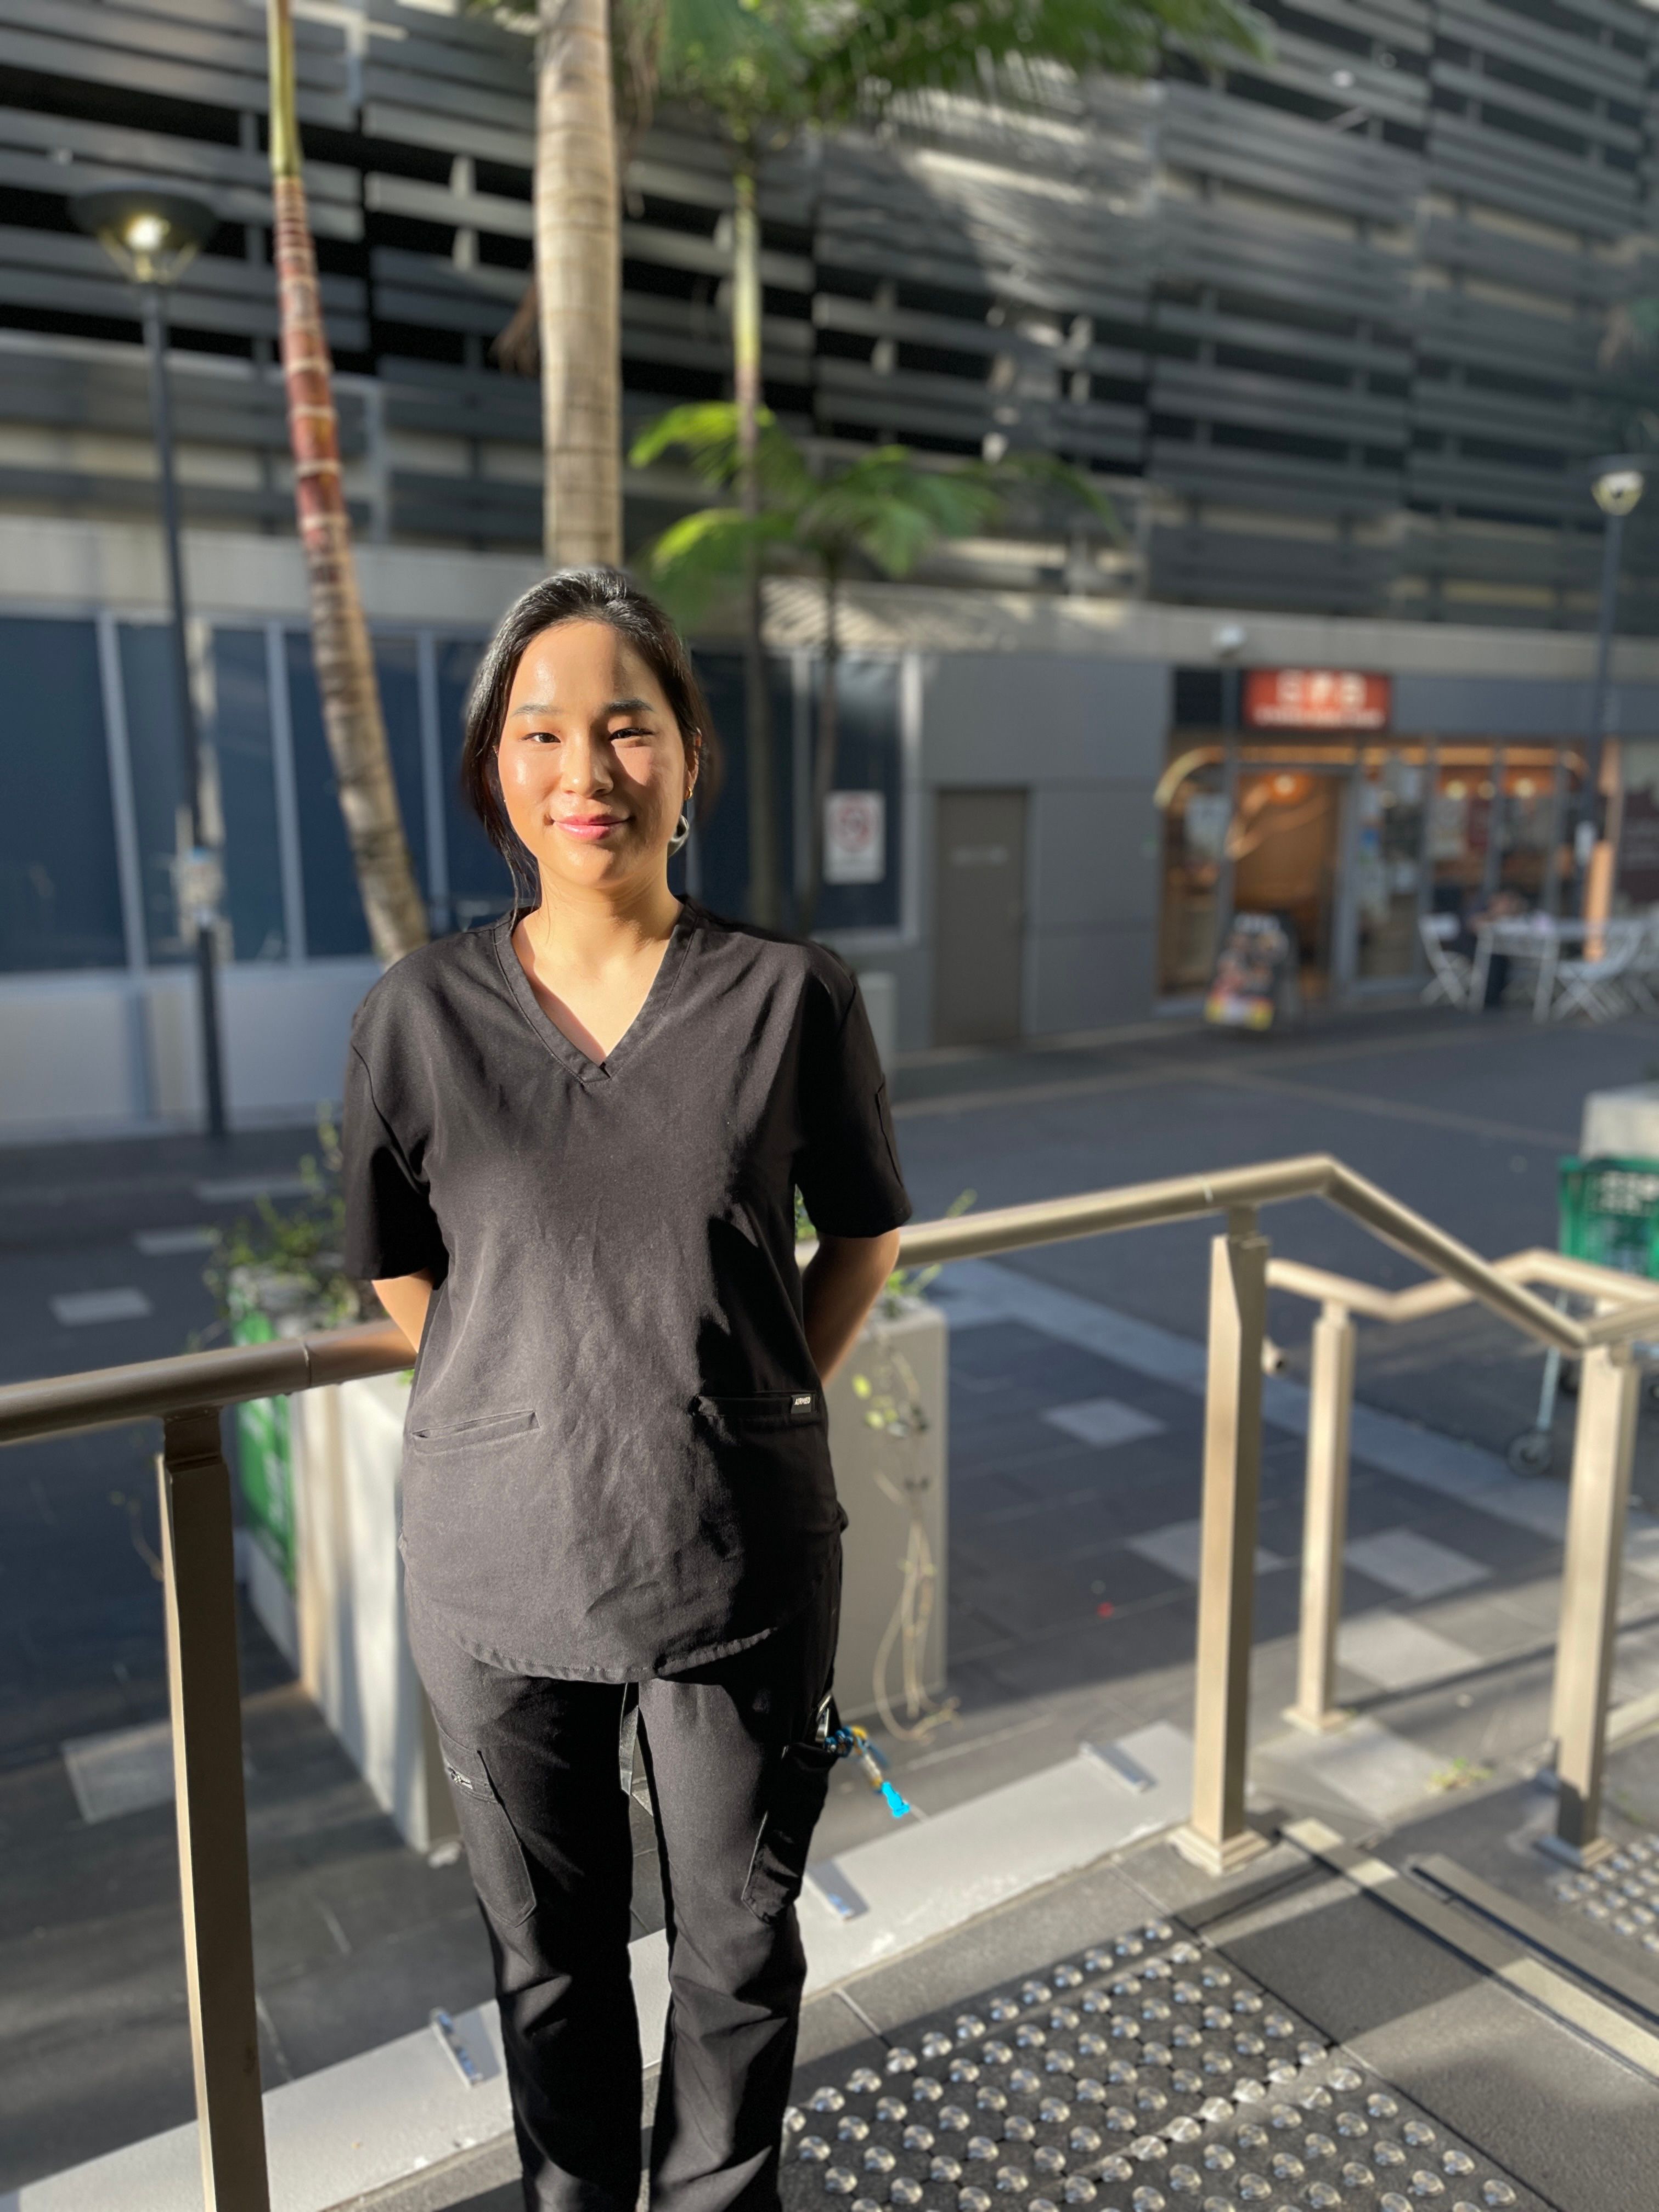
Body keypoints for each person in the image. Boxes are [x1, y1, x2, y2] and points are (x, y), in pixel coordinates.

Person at [342, 568, 910, 2212]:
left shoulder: (789, 996)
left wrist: (748, 1396)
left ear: (685, 756)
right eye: (540, 732)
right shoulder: (419, 1016)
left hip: (735, 1552)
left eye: (624, 727)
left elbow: (863, 1228)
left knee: (737, 1947)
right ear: (496, 775)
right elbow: (400, 1273)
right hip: (495, 1570)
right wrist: (534, 1390)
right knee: (550, 1960)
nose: (584, 768)